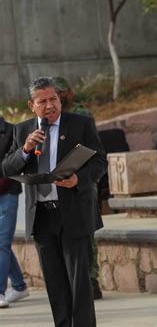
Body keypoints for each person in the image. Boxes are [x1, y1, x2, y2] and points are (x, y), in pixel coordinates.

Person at [2, 77, 107, 326]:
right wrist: (25, 150)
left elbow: (100, 161)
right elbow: (7, 168)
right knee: (55, 284)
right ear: (32, 105)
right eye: (43, 101)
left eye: (54, 99)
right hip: (42, 217)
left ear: (60, 99)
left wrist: (78, 180)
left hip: (73, 212)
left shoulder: (80, 124)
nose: (50, 105)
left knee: (79, 283)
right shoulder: (22, 130)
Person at [52, 76, 102, 300]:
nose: (59, 97)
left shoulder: (81, 115)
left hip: (82, 182)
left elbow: (93, 154)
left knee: (86, 235)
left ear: (69, 93)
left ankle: (91, 280)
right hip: (57, 186)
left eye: (61, 93)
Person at [0, 116, 29, 308]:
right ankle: (19, 286)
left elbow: (15, 163)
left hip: (7, 192)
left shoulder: (13, 131)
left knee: (2, 242)